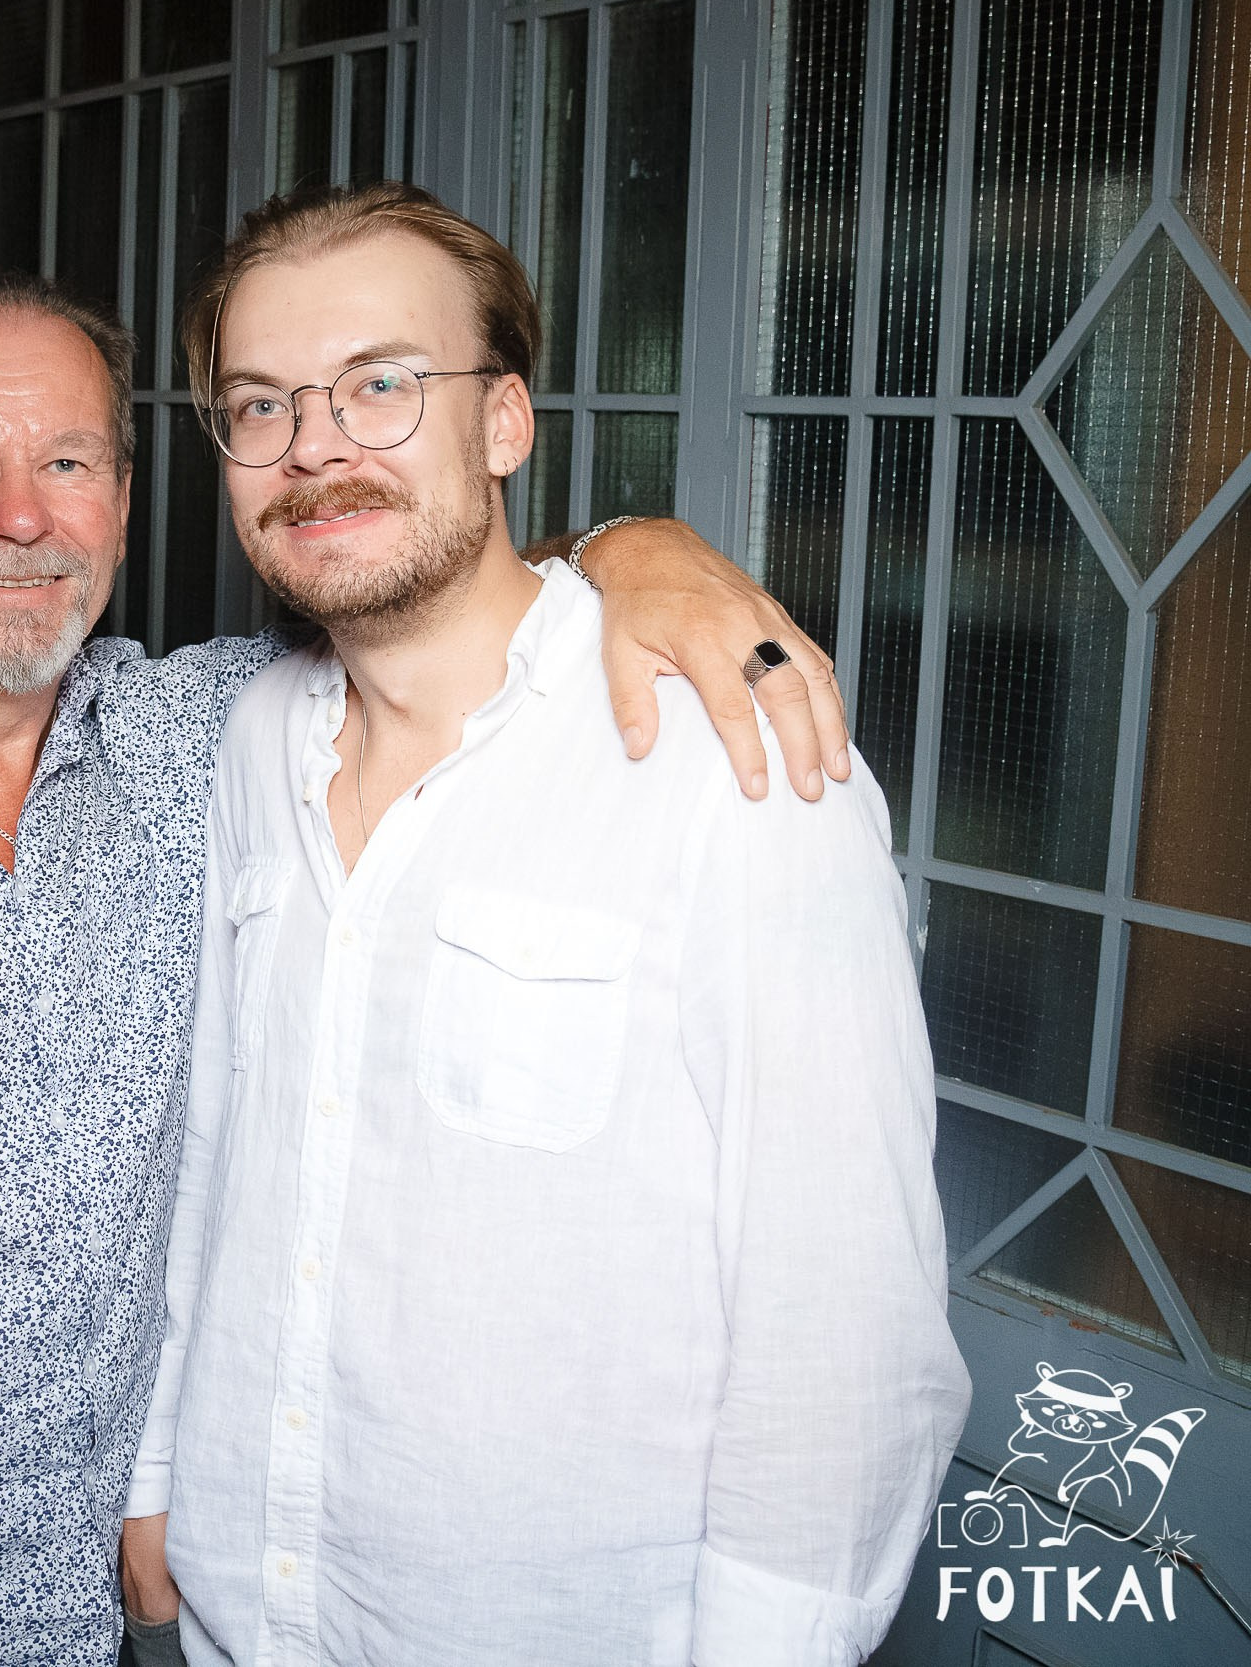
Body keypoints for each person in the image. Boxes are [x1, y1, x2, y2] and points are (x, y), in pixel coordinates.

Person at [0, 268, 854, 1667]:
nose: (22, 515)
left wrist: (635, 545)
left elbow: (437, 579)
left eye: (69, 462)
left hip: (101, 1626)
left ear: (123, 506)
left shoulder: (206, 737)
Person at [120, 184, 970, 1666]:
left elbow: (842, 1321)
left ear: (504, 422)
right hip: (249, 1613)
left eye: (383, 384)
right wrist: (157, 1484)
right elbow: (220, 1153)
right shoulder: (250, 740)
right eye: (262, 404)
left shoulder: (733, 761)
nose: (317, 444)